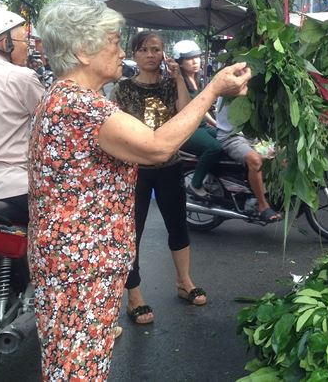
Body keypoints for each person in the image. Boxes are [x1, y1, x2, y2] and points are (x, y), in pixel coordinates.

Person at [28, 0, 251, 381]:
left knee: (73, 359)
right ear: (83, 50)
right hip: (81, 266)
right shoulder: (82, 106)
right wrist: (213, 89)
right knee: (76, 369)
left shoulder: (67, 98)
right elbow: (157, 147)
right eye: (114, 41)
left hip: (73, 261)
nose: (121, 50)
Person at [110, 31, 209, 326]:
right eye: (144, 50)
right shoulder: (123, 89)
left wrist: (178, 78)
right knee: (133, 233)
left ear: (163, 54)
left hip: (169, 166)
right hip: (135, 171)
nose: (151, 55)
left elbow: (185, 112)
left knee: (177, 224)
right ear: (135, 55)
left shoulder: (169, 85)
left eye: (156, 49)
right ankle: (135, 296)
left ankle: (184, 281)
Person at [0, 10, 44, 223]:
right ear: (5, 43)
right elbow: (51, 122)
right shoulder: (21, 77)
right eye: (24, 41)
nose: (27, 47)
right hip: (11, 189)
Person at [215, 99, 282, 223]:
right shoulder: (232, 85)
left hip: (253, 137)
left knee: (282, 153)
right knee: (255, 160)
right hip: (232, 137)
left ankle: (270, 194)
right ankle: (263, 205)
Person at [174, 40, 223, 198]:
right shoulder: (179, 84)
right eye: (189, 59)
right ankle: (195, 185)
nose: (195, 61)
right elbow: (182, 110)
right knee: (214, 147)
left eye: (197, 57)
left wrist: (216, 124)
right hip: (188, 131)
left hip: (201, 127)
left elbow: (201, 109)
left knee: (226, 138)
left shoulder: (197, 80)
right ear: (180, 63)